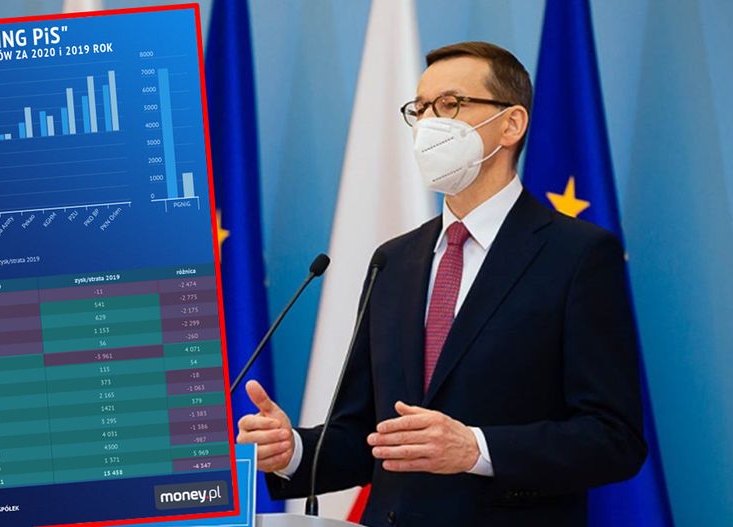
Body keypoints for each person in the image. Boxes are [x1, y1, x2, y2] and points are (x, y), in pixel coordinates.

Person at [236, 41, 646, 526]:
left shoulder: (577, 255)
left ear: (512, 124)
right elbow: (368, 435)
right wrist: (293, 451)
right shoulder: (393, 260)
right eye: (421, 108)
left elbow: (613, 438)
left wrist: (476, 448)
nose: (430, 123)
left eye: (450, 104)